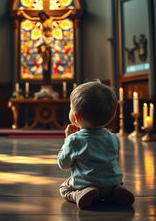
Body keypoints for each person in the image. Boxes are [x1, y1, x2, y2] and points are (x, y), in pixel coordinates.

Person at [57, 80, 134, 210]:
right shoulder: (114, 138)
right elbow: (114, 161)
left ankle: (79, 195)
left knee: (64, 188)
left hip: (85, 185)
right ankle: (116, 192)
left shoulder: (74, 140)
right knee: (112, 181)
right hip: (110, 184)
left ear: (76, 116)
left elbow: (63, 165)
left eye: (71, 107)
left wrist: (67, 140)